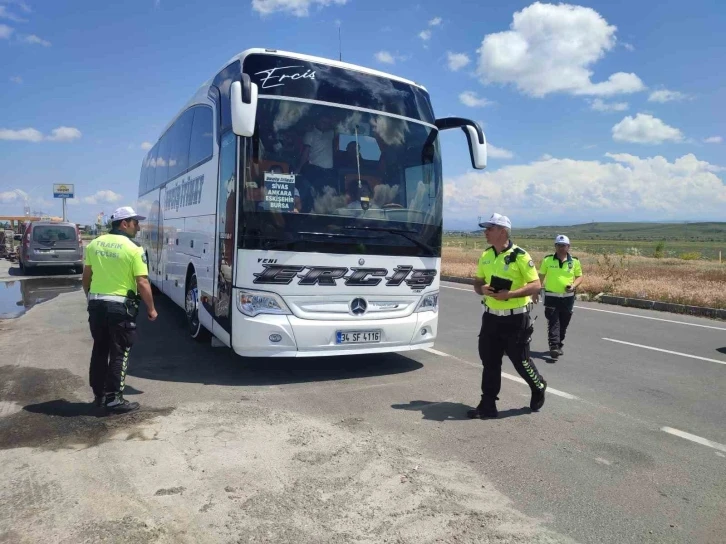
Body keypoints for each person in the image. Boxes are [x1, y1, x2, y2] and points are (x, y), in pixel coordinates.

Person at [468, 213, 547, 419]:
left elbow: (536, 285)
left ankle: (538, 385)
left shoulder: (520, 256)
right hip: (491, 317)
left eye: (490, 229)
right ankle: (487, 405)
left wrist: (509, 294)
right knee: (490, 361)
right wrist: (483, 288)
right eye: (485, 229)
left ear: (502, 232)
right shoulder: (486, 255)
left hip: (516, 319)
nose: (485, 232)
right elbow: (477, 283)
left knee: (520, 361)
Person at [82, 206, 157, 414]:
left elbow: (86, 276)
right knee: (119, 351)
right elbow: (142, 282)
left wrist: (89, 296)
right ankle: (114, 399)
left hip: (96, 305)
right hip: (119, 307)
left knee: (100, 349)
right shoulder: (134, 249)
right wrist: (151, 308)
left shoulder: (94, 245)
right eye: (135, 222)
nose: (138, 227)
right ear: (124, 224)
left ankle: (99, 396)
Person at [533, 234, 583, 360]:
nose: (561, 248)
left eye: (564, 245)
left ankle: (559, 345)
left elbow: (579, 276)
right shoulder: (547, 260)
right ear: (555, 246)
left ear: (568, 247)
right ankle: (554, 346)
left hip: (568, 297)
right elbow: (541, 277)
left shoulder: (575, 261)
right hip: (551, 296)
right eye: (558, 245)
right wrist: (535, 292)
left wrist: (573, 285)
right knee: (553, 322)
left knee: (564, 323)